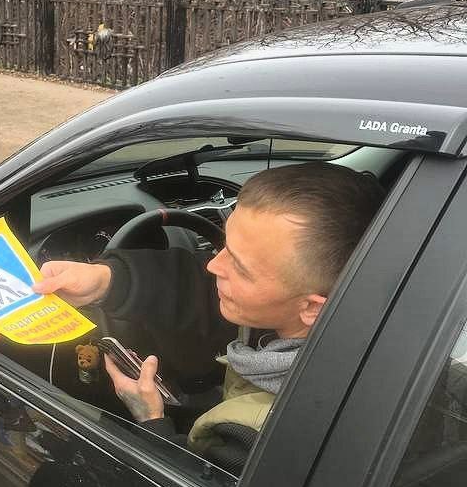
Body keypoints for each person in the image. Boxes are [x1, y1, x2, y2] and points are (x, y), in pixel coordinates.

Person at [34, 162, 382, 471]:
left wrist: (151, 419)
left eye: (241, 269)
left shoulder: (271, 439)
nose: (214, 265)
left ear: (312, 308)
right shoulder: (347, 312)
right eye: (224, 248)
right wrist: (106, 281)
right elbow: (200, 292)